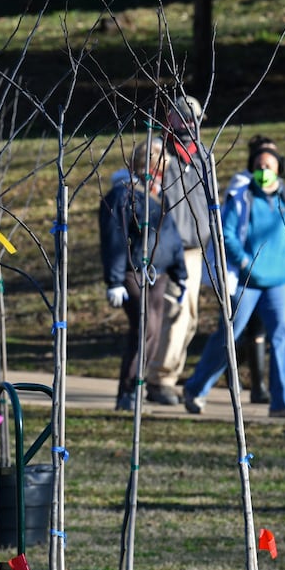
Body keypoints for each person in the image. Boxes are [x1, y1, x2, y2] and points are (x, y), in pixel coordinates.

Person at [182, 136, 285, 419]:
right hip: (246, 282)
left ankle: (282, 402)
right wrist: (242, 260)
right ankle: (195, 389)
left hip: (279, 281)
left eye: (270, 165)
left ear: (280, 169)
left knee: (282, 339)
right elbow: (226, 233)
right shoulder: (241, 197)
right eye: (259, 165)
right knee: (228, 337)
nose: (264, 169)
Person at [100, 138, 185, 413]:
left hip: (157, 274)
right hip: (132, 273)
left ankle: (136, 387)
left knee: (154, 333)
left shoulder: (159, 193)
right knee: (145, 328)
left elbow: (170, 236)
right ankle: (128, 390)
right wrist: (114, 281)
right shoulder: (123, 195)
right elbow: (115, 238)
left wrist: (179, 272)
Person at [145, 95, 218, 406]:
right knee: (176, 313)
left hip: (197, 248)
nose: (189, 122)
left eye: (194, 117)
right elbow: (143, 194)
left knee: (190, 319)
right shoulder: (160, 153)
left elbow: (212, 201)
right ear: (170, 118)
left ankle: (168, 373)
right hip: (170, 248)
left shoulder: (203, 156)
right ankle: (159, 379)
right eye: (182, 116)